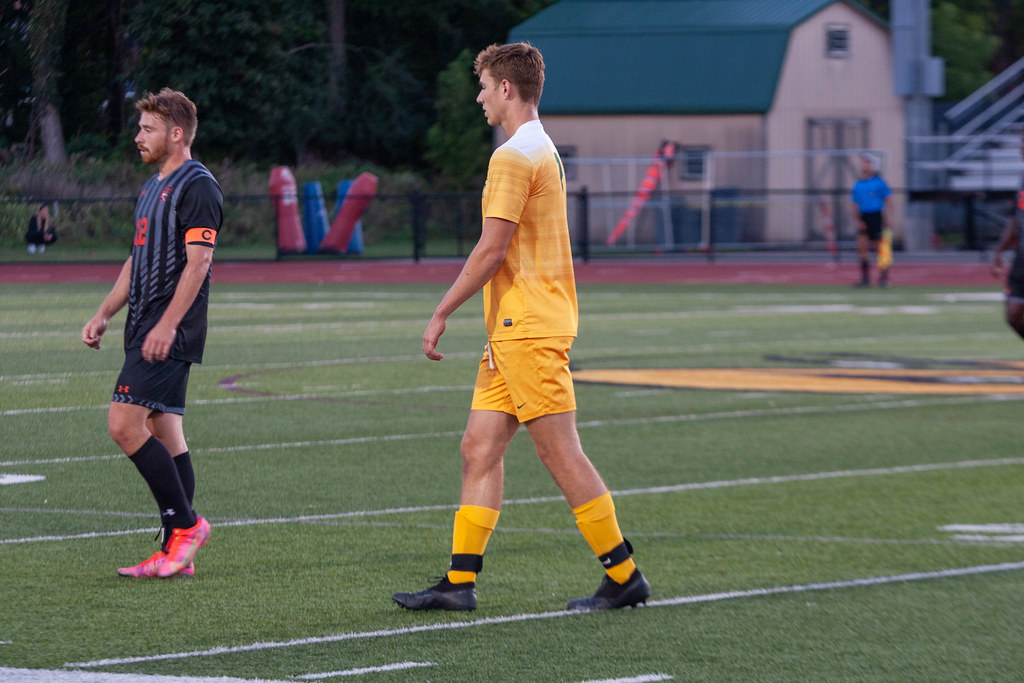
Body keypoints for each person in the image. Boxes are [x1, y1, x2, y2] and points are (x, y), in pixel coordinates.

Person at [391, 43, 650, 613]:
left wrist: (440, 311)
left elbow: (490, 250)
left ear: (506, 88)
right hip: (517, 327)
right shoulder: (544, 148)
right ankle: (459, 583)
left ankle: (625, 575)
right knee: (478, 448)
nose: (480, 96)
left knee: (561, 455)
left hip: (527, 327)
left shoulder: (512, 156)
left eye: (484, 86)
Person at [81, 88, 221, 578]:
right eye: (139, 128)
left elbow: (199, 263)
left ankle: (186, 526)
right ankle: (173, 549)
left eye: (148, 128)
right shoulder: (150, 187)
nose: (137, 136)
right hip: (143, 325)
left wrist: (166, 324)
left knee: (123, 425)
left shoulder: (197, 185)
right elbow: (136, 259)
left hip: (167, 331)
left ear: (176, 133)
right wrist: (104, 312)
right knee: (166, 430)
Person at [990, 131, 1024, 339]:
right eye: (1021, 143)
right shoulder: (1022, 180)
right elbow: (1016, 219)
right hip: (1022, 257)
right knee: (1013, 314)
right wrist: (999, 251)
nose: (1021, 148)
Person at [850, 155, 893, 287]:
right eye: (863, 164)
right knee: (862, 247)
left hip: (877, 216)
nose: (865, 166)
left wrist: (889, 216)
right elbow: (854, 204)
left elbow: (888, 199)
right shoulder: (858, 184)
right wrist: (858, 220)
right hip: (864, 217)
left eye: (868, 164)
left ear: (872, 166)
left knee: (881, 247)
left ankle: (884, 279)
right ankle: (865, 279)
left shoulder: (879, 182)